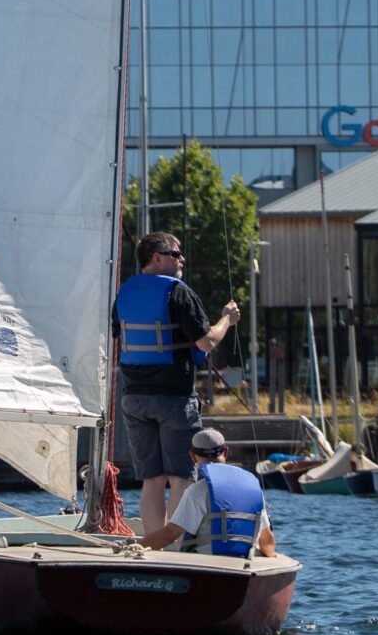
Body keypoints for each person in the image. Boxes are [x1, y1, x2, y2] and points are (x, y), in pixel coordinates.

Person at [114, 232, 240, 539]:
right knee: (181, 476)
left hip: (134, 399)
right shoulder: (179, 293)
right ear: (157, 257)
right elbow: (207, 342)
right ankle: (177, 546)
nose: (181, 258)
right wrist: (226, 319)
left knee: (151, 480)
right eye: (175, 253)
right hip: (174, 400)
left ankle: (155, 544)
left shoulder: (124, 293)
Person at [138, 429, 277, 557]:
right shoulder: (253, 488)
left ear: (193, 456)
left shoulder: (197, 491)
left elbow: (169, 535)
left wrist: (133, 547)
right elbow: (267, 543)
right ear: (226, 452)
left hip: (207, 562)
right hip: (244, 562)